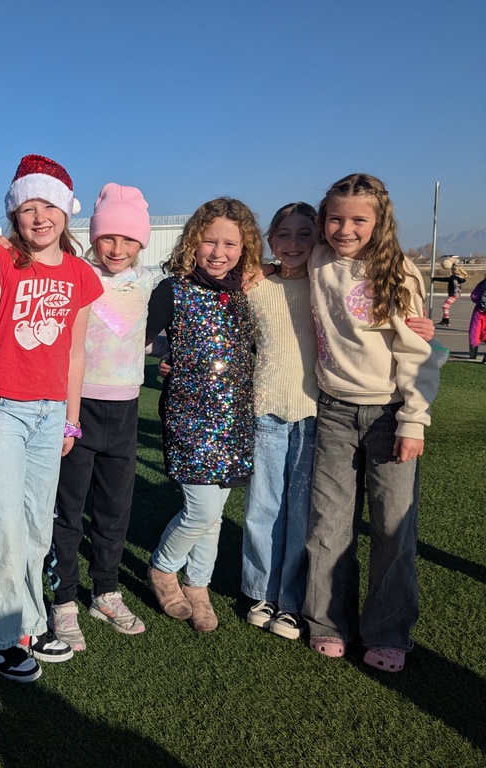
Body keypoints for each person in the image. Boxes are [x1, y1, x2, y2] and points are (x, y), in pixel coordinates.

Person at [0, 155, 103, 681]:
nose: (39, 216)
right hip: (2, 410)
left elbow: (74, 353)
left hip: (52, 417)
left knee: (34, 527)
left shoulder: (80, 274)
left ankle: (25, 620)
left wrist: (71, 418)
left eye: (49, 204)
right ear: (14, 213)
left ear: (67, 211)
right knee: (1, 523)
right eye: (28, 207)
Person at [303, 173, 442, 672]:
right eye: (335, 218)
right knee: (329, 524)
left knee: (391, 527)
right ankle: (328, 622)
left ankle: (387, 631)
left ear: (379, 221)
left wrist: (413, 420)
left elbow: (417, 353)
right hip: (334, 411)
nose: (345, 228)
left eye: (359, 219)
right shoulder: (316, 260)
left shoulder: (397, 271)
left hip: (389, 414)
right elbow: (284, 257)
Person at [144, 197, 262, 633]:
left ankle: (198, 585)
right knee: (200, 512)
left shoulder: (247, 293)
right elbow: (138, 338)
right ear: (192, 243)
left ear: (244, 247)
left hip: (235, 421)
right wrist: (165, 350)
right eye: (209, 241)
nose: (218, 252)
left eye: (230, 243)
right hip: (190, 419)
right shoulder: (173, 290)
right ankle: (163, 568)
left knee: (215, 514)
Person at [49, 183, 158, 650]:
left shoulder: (150, 281)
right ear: (92, 237)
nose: (117, 249)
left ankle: (106, 591)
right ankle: (64, 599)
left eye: (129, 240)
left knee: (114, 511)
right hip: (77, 408)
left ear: (143, 243)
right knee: (69, 510)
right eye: (108, 237)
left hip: (126, 409)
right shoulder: (75, 274)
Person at [240, 202, 320, 640]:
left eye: (304, 234)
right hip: (265, 409)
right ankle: (260, 592)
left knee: (302, 511)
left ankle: (291, 601)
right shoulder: (255, 285)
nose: (293, 244)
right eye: (284, 235)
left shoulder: (328, 284)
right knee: (263, 506)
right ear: (271, 240)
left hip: (314, 412)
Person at [431, 261, 467, 327]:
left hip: (454, 294)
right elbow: (464, 280)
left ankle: (446, 321)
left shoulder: (453, 278)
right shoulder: (459, 278)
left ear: (453, 271)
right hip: (456, 294)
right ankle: (445, 320)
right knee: (445, 306)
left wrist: (434, 278)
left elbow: (444, 279)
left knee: (445, 306)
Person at [468, 276, 486, 360]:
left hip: (480, 311)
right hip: (481, 311)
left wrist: (481, 304)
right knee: (477, 331)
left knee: (475, 331)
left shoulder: (482, 283)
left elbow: (474, 295)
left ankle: (473, 353)